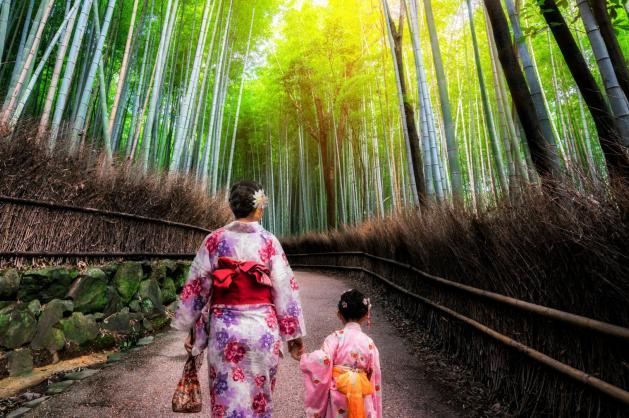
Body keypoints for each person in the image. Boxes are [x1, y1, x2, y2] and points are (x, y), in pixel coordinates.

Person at [171, 181, 306, 418]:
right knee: (259, 400)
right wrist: (293, 336)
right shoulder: (269, 242)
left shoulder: (214, 240)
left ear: (231, 206)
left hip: (225, 332)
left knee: (225, 400)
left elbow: (197, 289)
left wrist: (192, 330)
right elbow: (285, 291)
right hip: (262, 331)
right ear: (259, 208)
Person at [299, 289, 382, 418]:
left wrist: (304, 358)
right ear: (366, 315)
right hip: (361, 394)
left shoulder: (335, 338)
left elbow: (323, 360)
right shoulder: (370, 343)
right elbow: (374, 377)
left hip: (338, 394)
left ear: (339, 315)